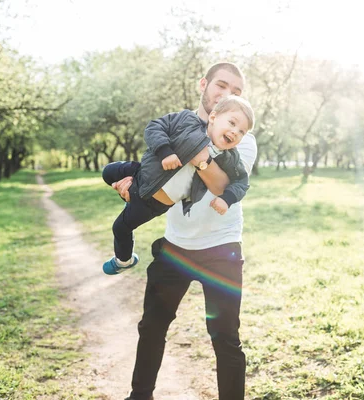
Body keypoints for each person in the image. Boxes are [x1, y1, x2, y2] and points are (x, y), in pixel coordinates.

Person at [113, 62, 256, 400]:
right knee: (152, 327)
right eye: (222, 86)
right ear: (204, 84)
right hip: (175, 247)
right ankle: (140, 396)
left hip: (221, 250)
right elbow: (154, 166)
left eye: (236, 93)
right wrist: (131, 182)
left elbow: (222, 185)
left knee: (225, 338)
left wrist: (198, 156)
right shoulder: (178, 124)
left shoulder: (240, 138)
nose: (227, 96)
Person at [101, 95, 255, 275]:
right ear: (213, 117)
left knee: (120, 227)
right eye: (232, 123)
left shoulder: (229, 158)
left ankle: (124, 260)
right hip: (141, 173)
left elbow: (241, 182)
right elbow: (155, 126)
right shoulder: (187, 121)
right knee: (108, 171)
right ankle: (125, 191)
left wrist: (227, 199)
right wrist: (164, 151)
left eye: (242, 132)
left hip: (150, 203)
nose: (235, 132)